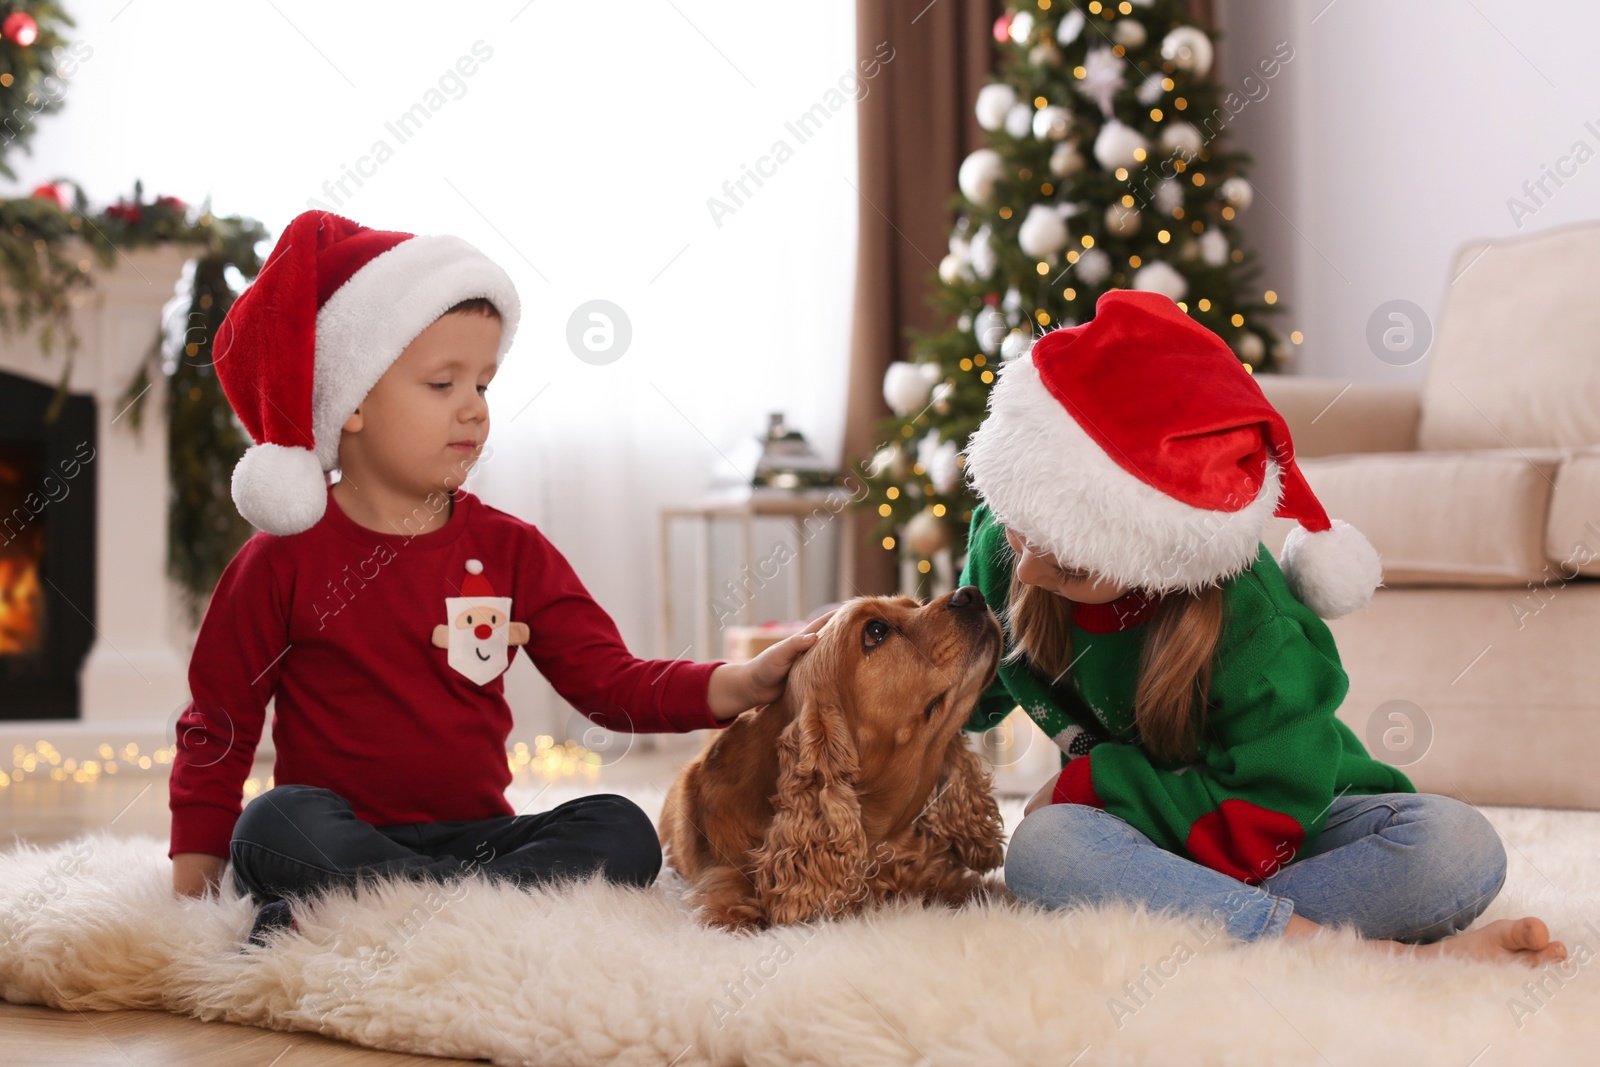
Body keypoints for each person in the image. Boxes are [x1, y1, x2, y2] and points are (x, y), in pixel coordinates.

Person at [168, 210, 822, 944]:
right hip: (341, 830)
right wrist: (192, 898)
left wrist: (737, 683)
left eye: (483, 382)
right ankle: (460, 906)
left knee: (620, 828)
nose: (474, 408)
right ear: (349, 403)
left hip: (481, 836)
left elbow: (608, 680)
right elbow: (217, 728)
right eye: (443, 382)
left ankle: (388, 907)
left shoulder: (511, 549)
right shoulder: (279, 559)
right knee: (276, 823)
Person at [958, 288, 1565, 966]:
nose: (1032, 570)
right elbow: (958, 692)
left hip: (1275, 820)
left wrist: (1093, 784)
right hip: (1146, 832)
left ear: (1158, 551)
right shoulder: (1012, 539)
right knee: (1043, 851)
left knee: (1460, 847)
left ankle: (1205, 919)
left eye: (1070, 565)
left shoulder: (1253, 623)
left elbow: (1275, 803)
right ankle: (1351, 952)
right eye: (1020, 536)